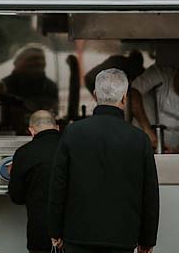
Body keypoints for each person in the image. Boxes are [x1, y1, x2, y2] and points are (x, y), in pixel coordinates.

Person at [49, 69, 158, 253]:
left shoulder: (73, 132)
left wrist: (55, 230)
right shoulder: (139, 139)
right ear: (124, 99)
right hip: (122, 237)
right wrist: (147, 239)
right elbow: (149, 193)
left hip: (78, 235)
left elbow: (58, 184)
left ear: (95, 96)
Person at [8, 110, 61, 253]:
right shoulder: (74, 148)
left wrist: (14, 173)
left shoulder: (24, 153)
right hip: (74, 233)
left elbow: (16, 197)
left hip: (41, 232)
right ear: (57, 128)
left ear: (31, 131)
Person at [129, 59, 179, 154]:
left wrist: (178, 151)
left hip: (170, 153)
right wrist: (148, 132)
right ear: (178, 71)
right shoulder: (160, 74)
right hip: (140, 144)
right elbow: (133, 93)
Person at [0, 47, 58, 134]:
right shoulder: (4, 85)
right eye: (32, 59)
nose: (38, 62)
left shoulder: (50, 86)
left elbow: (53, 110)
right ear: (18, 63)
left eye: (41, 59)